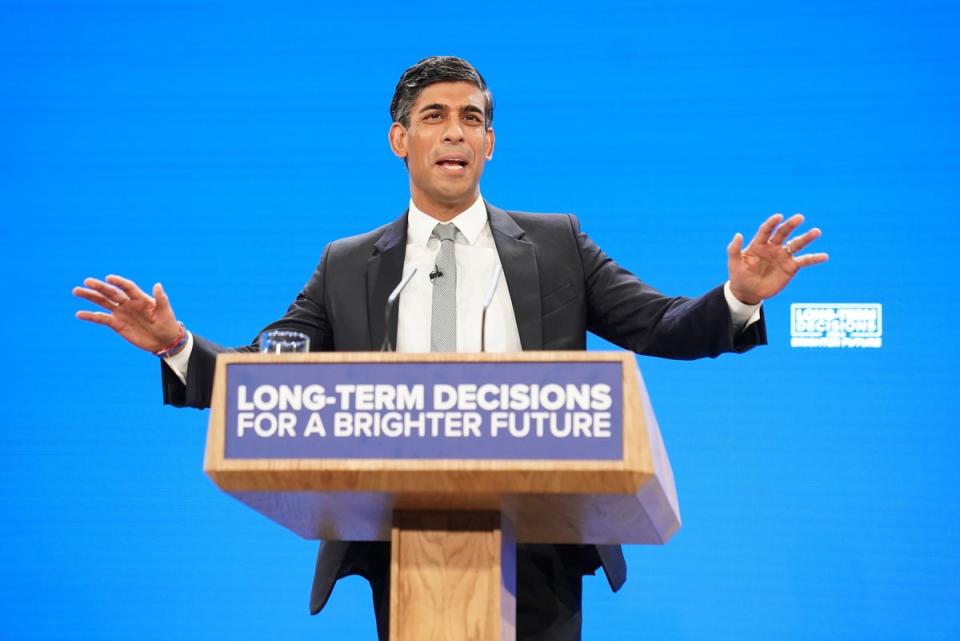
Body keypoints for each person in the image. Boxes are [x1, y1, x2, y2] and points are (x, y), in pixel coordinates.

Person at [74, 56, 828, 641]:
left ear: (491, 143)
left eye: (473, 117)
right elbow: (272, 378)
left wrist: (740, 297)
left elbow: (660, 324)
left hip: (543, 540)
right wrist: (177, 344)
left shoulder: (557, 244)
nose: (456, 131)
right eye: (435, 116)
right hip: (402, 545)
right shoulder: (348, 263)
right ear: (401, 139)